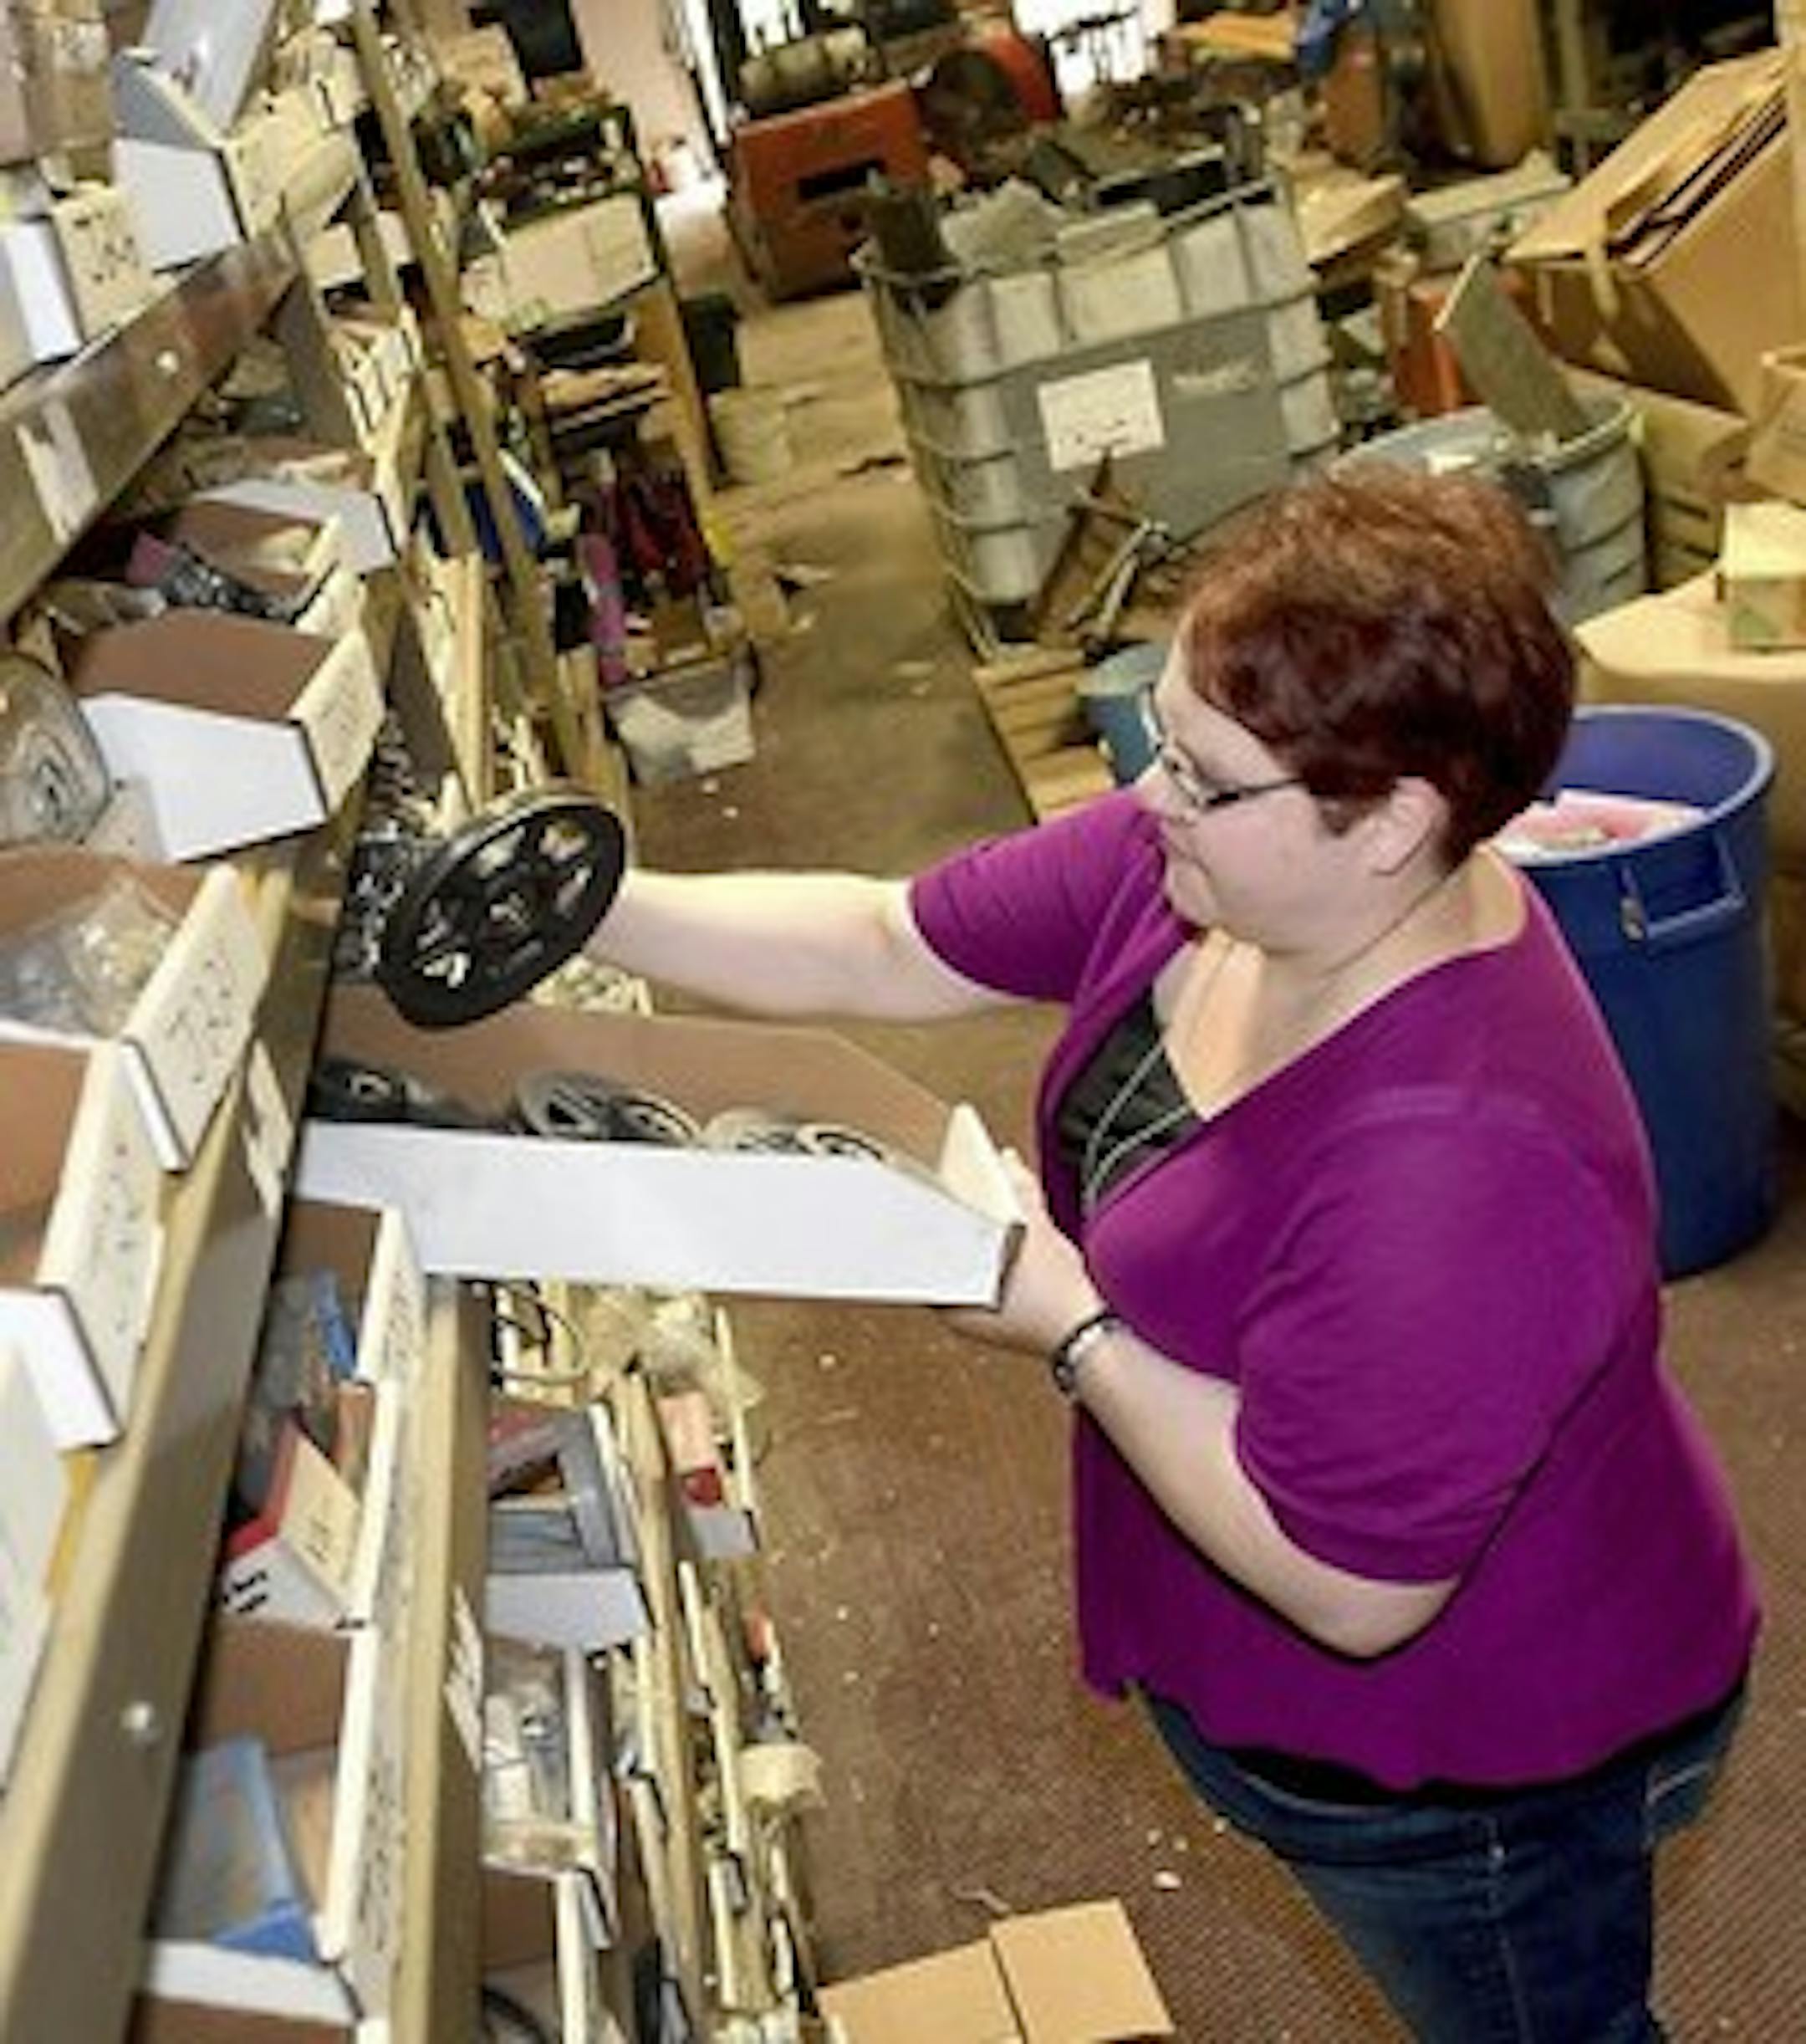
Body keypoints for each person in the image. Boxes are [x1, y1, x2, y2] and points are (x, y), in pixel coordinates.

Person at [589, 465, 1758, 2041]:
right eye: (1164, 740)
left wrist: (1070, 1327)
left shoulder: (1467, 1162)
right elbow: (884, 937)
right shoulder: (1215, 880)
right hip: (1298, 1649)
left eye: (1204, 774)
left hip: (1467, 1761)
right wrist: (585, 904)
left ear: (1393, 817)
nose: (1147, 796)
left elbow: (1354, 1584)